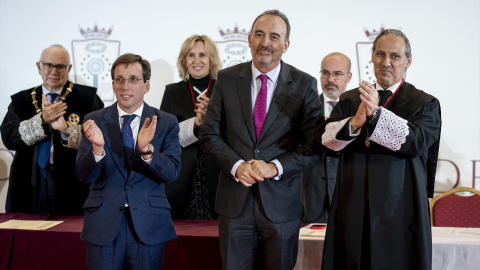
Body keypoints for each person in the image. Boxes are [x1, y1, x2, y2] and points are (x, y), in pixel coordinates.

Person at [199, 10, 321, 269]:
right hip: (234, 202)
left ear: (286, 45)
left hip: (281, 204)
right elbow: (209, 135)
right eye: (259, 34)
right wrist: (237, 166)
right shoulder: (227, 79)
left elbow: (313, 146)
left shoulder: (305, 84)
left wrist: (274, 167)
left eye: (274, 36)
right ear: (249, 39)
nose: (266, 42)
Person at [318, 29, 441, 270]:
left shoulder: (424, 103)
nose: (386, 62)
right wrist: (355, 122)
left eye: (395, 56)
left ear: (408, 61)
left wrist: (376, 114)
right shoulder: (350, 99)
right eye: (380, 54)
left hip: (400, 209)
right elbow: (326, 141)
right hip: (352, 206)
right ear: (372, 57)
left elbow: (415, 142)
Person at [76, 53, 181, 269]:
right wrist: (97, 149)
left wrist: (147, 151)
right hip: (103, 225)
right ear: (113, 85)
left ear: (147, 85)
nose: (126, 86)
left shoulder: (165, 122)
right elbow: (83, 175)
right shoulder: (93, 120)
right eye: (120, 79)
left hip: (148, 225)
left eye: (133, 79)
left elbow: (172, 173)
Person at [0, 45, 104, 215]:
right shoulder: (21, 100)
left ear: (69, 68)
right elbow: (9, 137)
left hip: (73, 182)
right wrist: (42, 120)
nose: (54, 71)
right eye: (48, 65)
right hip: (31, 182)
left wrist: (66, 129)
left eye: (60, 66)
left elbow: (100, 140)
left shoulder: (88, 98)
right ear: (38, 66)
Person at [160, 35, 222, 220]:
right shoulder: (172, 91)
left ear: (211, 59)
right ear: (184, 61)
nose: (197, 60)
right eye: (191, 55)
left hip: (218, 174)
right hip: (183, 176)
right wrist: (195, 124)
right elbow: (164, 136)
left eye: (202, 55)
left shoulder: (223, 89)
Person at [303, 52, 352, 223]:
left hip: (346, 194)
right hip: (309, 196)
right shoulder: (305, 107)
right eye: (325, 73)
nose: (330, 79)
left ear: (349, 77)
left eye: (337, 74)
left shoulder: (358, 110)